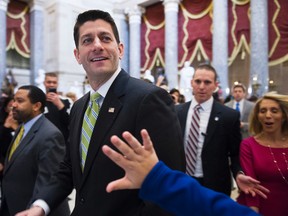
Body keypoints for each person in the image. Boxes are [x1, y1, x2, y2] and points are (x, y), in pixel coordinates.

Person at [16, 9, 185, 216]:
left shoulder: (149, 99)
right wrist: (40, 206)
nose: (97, 46)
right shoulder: (79, 107)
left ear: (120, 49)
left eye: (105, 38)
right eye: (87, 40)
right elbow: (70, 167)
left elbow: (169, 183)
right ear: (77, 55)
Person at [100, 129, 264, 216]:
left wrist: (159, 180)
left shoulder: (227, 115)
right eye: (197, 81)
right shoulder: (180, 111)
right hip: (185, 181)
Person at [176, 63, 256, 196]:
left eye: (207, 82)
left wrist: (239, 173)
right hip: (181, 182)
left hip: (214, 185)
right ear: (191, 83)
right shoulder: (177, 112)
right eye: (198, 81)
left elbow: (235, 152)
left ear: (215, 85)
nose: (202, 86)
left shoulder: (229, 116)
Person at [0, 85, 70, 216]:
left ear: (36, 106)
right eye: (14, 100)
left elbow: (48, 181)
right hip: (13, 205)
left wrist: (34, 209)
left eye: (20, 101)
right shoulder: (22, 128)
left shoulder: (50, 135)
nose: (13, 105)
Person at [237, 92, 288, 216]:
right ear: (257, 116)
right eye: (263, 111)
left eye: (274, 111)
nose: (268, 115)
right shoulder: (248, 145)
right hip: (258, 209)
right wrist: (253, 212)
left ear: (284, 116)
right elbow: (251, 188)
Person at [43, 72, 70, 141]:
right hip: (44, 139)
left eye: (54, 82)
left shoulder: (66, 101)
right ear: (44, 83)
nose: (51, 85)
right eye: (49, 82)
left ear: (57, 84)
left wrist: (59, 104)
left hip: (62, 140)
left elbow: (70, 122)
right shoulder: (39, 102)